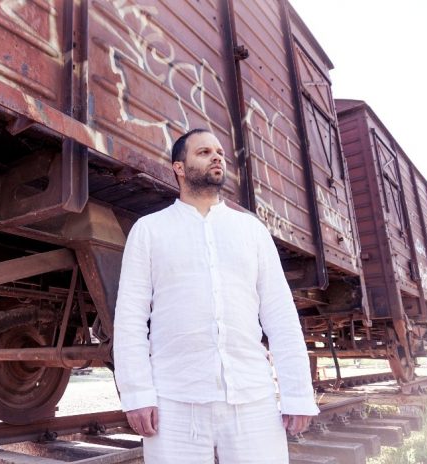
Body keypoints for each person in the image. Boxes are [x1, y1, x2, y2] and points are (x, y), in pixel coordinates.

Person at [113, 129, 319, 463]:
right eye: (204, 152)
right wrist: (137, 393)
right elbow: (130, 318)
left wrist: (297, 393)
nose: (217, 157)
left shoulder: (251, 231)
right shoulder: (149, 230)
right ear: (179, 167)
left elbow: (280, 315)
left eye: (220, 152)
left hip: (252, 398)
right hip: (174, 401)